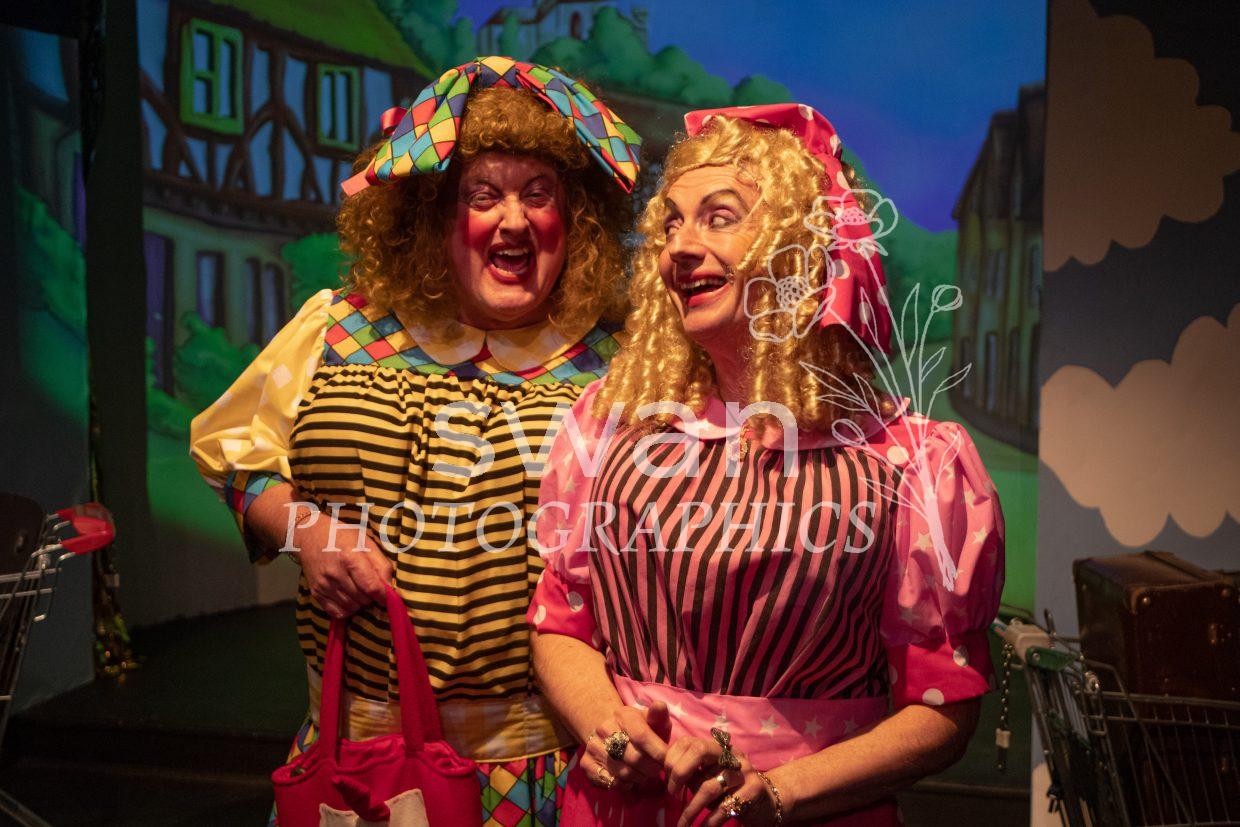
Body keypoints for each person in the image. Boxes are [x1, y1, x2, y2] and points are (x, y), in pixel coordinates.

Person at [189, 56, 641, 826]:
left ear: (577, 220)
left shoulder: (617, 362)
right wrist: (309, 532)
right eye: (483, 195)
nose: (513, 220)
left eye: (539, 193)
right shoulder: (339, 332)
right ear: (433, 217)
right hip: (364, 766)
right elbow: (233, 452)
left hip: (542, 769)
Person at [527, 104, 1005, 825]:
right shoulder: (612, 426)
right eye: (671, 225)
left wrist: (782, 791)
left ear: (796, 249)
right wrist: (607, 727)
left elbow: (943, 705)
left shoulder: (909, 461)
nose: (679, 248)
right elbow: (561, 620)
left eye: (717, 218)